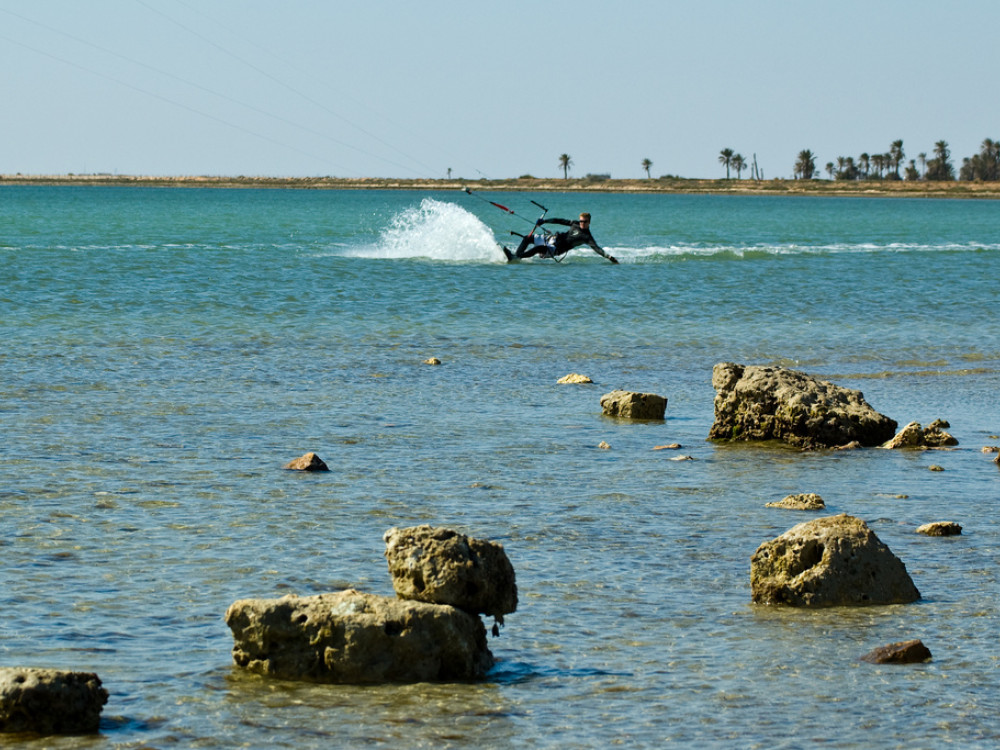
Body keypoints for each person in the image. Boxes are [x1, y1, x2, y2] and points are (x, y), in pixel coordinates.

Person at [506, 212, 618, 263]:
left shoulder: (586, 237)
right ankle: (515, 256)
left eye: (584, 222)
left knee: (538, 248)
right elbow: (559, 221)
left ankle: (517, 258)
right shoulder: (575, 224)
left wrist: (609, 257)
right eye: (580, 221)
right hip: (552, 239)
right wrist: (544, 221)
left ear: (589, 222)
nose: (581, 223)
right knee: (527, 238)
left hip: (556, 250)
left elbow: (596, 248)